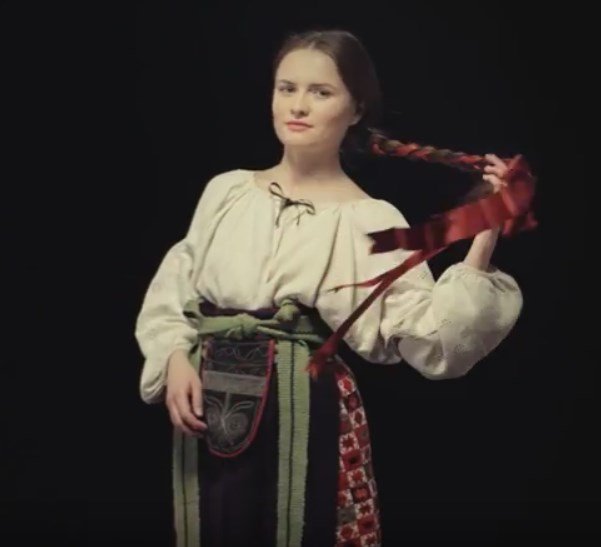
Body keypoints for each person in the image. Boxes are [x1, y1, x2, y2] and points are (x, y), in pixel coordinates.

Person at [135, 28, 525, 547]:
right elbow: (175, 289)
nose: (298, 105)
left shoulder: (368, 219)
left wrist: (485, 233)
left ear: (356, 108)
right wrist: (174, 358)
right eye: (287, 88)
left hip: (307, 417)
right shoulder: (226, 192)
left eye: (321, 92)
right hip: (212, 410)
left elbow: (433, 339)